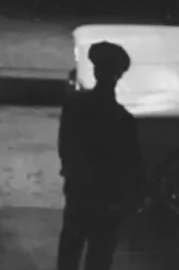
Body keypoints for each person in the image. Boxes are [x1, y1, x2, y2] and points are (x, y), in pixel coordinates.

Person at [57, 41, 145, 270]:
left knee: (69, 250)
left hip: (79, 191)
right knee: (99, 256)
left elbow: (65, 146)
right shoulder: (123, 119)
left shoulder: (74, 105)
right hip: (108, 200)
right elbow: (131, 163)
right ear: (118, 76)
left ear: (95, 70)